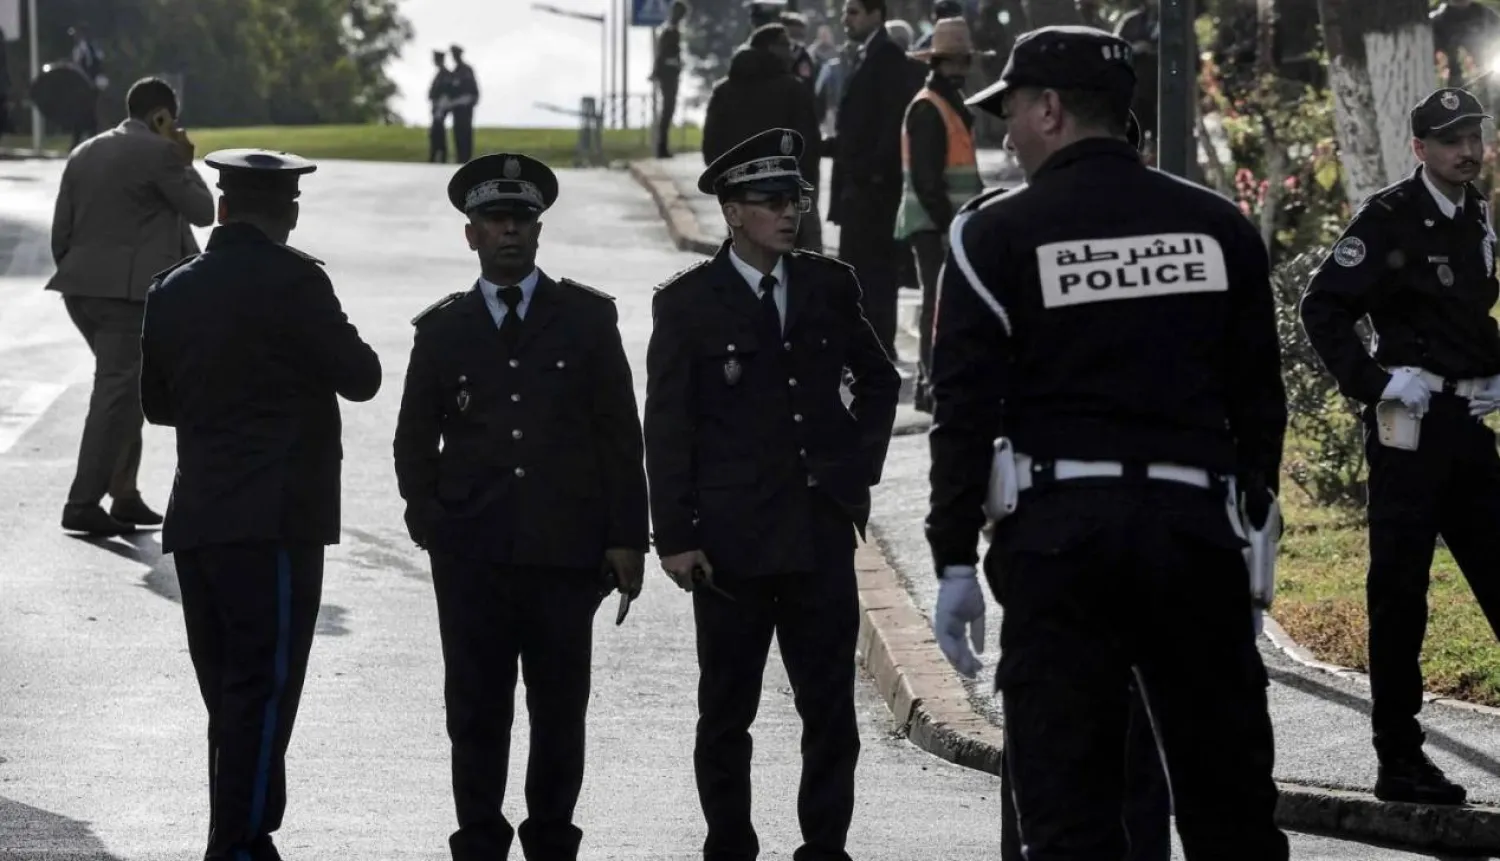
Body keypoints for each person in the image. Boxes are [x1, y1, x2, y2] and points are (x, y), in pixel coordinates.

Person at [925, 25, 1289, 859]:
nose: (1003, 130)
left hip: (1062, 546)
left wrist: (951, 556)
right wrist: (1251, 509)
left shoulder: (992, 235)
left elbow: (965, 410)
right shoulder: (1217, 227)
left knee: (1067, 814)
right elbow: (1258, 400)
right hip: (1195, 541)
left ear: (1050, 109)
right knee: (1228, 804)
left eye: (1010, 109)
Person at [643, 128, 900, 861]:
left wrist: (857, 467)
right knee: (726, 712)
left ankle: (825, 845)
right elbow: (668, 426)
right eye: (772, 201)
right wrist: (677, 534)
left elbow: (879, 379)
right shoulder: (689, 303)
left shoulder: (827, 284)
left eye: (797, 199)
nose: (791, 213)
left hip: (818, 531)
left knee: (830, 711)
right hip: (728, 544)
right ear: (732, 212)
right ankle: (729, 842)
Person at [393, 152, 648, 861]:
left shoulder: (587, 320)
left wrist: (629, 537)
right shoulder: (443, 330)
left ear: (540, 230)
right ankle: (478, 837)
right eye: (495, 220)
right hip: (472, 555)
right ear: (470, 234)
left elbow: (620, 438)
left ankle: (551, 840)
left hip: (565, 554)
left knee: (560, 709)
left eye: (522, 220)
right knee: (475, 710)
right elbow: (414, 439)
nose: (510, 231)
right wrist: (431, 520)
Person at [139, 148, 382, 861]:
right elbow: (361, 376)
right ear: (290, 212)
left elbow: (156, 406)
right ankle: (240, 839)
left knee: (229, 690)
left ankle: (242, 826)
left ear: (220, 207)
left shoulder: (170, 286)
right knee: (264, 686)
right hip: (276, 518)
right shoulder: (297, 281)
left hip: (199, 516)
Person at [1300, 86, 1500, 807]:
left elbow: (1470, 311)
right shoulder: (1388, 219)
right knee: (1400, 600)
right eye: (1451, 139)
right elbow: (1321, 304)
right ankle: (1400, 758)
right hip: (1408, 433)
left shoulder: (1475, 209)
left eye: (1474, 134)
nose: (1468, 150)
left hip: (1467, 428)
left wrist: (1495, 371)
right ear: (1420, 149)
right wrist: (1375, 381)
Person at [47, 76, 214, 536]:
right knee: (115, 393)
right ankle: (82, 502)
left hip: (80, 290)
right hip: (125, 295)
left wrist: (80, 276)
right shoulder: (162, 154)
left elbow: (61, 230)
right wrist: (185, 160)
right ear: (162, 115)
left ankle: (124, 493)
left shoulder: (84, 152)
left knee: (126, 391)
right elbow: (202, 210)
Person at [896, 16, 985, 414]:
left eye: (965, 61)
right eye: (957, 62)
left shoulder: (948, 104)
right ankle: (931, 384)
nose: (963, 70)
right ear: (939, 64)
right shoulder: (930, 108)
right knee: (937, 304)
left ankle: (931, 382)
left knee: (941, 303)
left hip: (945, 221)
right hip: (935, 224)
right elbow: (928, 179)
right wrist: (951, 225)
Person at [829, 0, 918, 360]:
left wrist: (872, 177)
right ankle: (866, 347)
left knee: (874, 274)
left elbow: (889, 124)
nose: (844, 19)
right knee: (860, 273)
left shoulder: (887, 59)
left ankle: (877, 349)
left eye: (853, 12)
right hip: (860, 190)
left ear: (875, 15)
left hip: (873, 194)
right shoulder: (865, 56)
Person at [702, 23, 823, 252]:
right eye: (786, 45)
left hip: (740, 196)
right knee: (804, 272)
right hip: (789, 198)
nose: (791, 51)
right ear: (770, 48)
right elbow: (808, 146)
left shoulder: (724, 92)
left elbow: (711, 150)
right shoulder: (793, 91)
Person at [652, 1, 691, 159]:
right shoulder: (670, 31)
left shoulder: (670, 29)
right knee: (668, 110)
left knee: (668, 110)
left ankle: (662, 147)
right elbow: (664, 55)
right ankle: (661, 148)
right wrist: (676, 62)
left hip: (669, 74)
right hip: (669, 75)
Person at [68, 24, 105, 148]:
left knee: (85, 115)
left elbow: (88, 67)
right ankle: (85, 141)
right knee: (85, 115)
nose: (74, 37)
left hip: (85, 87)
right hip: (84, 87)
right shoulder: (84, 48)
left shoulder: (85, 49)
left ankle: (82, 142)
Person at [449, 45, 480, 163]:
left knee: (466, 132)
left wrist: (470, 100)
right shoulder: (454, 72)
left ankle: (466, 159)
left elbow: (473, 91)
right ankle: (459, 158)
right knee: (457, 134)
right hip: (456, 109)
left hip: (466, 109)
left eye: (455, 54)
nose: (454, 57)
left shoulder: (467, 70)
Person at [429, 49, 456, 163]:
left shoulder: (445, 74)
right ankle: (436, 157)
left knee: (438, 133)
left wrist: (440, 109)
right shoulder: (440, 74)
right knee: (435, 133)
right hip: (437, 108)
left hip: (441, 108)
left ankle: (439, 158)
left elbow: (446, 94)